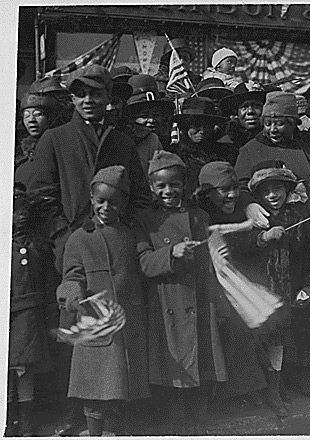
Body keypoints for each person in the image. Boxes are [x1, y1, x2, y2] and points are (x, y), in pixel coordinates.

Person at [28, 64, 153, 275]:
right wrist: (63, 237)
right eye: (80, 94)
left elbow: (140, 196)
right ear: (72, 99)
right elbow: (40, 198)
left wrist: (126, 231)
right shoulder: (54, 139)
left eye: (95, 94)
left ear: (108, 97)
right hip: (69, 248)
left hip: (118, 247)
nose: (88, 100)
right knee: (74, 301)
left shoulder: (122, 141)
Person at [135, 151, 226, 435]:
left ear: (184, 185)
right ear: (151, 187)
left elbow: (215, 257)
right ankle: (179, 428)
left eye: (174, 184)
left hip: (199, 299)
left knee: (201, 365)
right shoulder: (146, 220)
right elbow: (143, 263)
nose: (168, 191)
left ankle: (199, 427)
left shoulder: (199, 217)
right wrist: (170, 253)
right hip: (167, 301)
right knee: (174, 371)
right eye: (161, 186)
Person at [56, 166, 150, 436]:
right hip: (95, 319)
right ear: (91, 198)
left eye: (115, 202)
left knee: (120, 386)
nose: (107, 207)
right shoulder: (79, 238)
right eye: (101, 201)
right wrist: (72, 294)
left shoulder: (130, 234)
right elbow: (71, 275)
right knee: (95, 387)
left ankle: (113, 432)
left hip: (125, 320)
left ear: (124, 204)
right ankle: (94, 432)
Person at [244, 162, 310, 417]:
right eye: (266, 191)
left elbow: (306, 257)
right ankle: (261, 390)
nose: (273, 195)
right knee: (258, 342)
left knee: (280, 343)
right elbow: (239, 249)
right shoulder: (252, 218)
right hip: (258, 294)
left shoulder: (295, 219)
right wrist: (262, 237)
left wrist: (306, 286)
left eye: (278, 189)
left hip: (286, 293)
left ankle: (276, 388)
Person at [196, 162, 269, 408]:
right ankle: (221, 396)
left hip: (235, 284)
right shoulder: (199, 215)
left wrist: (248, 205)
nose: (232, 195)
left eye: (235, 188)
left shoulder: (240, 208)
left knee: (240, 336)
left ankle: (245, 390)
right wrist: (247, 224)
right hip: (209, 286)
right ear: (207, 193)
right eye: (224, 190)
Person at [235, 91, 310, 219]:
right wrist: (249, 205)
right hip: (274, 224)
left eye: (280, 124)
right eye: (268, 124)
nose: (273, 130)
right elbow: (240, 187)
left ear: (293, 123)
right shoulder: (251, 150)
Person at [7, 185, 54, 436]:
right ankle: (8, 420)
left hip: (29, 315)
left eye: (24, 210)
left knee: (25, 368)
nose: (21, 215)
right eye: (15, 211)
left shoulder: (36, 246)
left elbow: (45, 281)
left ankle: (26, 423)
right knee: (8, 369)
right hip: (9, 315)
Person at [172, 96, 229, 198]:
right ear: (186, 126)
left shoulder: (224, 152)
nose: (202, 131)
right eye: (196, 125)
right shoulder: (176, 155)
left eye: (207, 125)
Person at [124, 74, 174, 177]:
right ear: (131, 117)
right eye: (144, 116)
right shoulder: (124, 140)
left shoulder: (171, 139)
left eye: (156, 115)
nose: (151, 120)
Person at [14, 92, 62, 186]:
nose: (31, 120)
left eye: (38, 114)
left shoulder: (58, 145)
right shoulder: (20, 151)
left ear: (50, 117)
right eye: (27, 116)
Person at [217, 83, 268, 164]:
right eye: (244, 107)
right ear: (237, 112)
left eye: (256, 106)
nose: (250, 111)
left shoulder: (275, 139)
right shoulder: (225, 145)